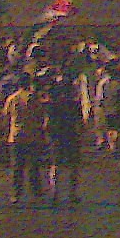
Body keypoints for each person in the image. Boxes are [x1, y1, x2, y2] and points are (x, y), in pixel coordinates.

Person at [44, 72, 84, 207]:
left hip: (57, 137)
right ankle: (72, 194)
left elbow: (47, 124)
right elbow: (80, 124)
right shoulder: (75, 105)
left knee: (56, 165)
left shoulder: (52, 105)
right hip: (71, 136)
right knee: (73, 166)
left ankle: (55, 193)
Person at [4, 76, 44, 204]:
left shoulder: (12, 98)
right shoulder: (34, 98)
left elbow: (5, 116)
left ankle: (16, 193)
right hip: (32, 135)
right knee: (34, 166)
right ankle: (36, 193)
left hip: (16, 136)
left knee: (17, 167)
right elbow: (40, 115)